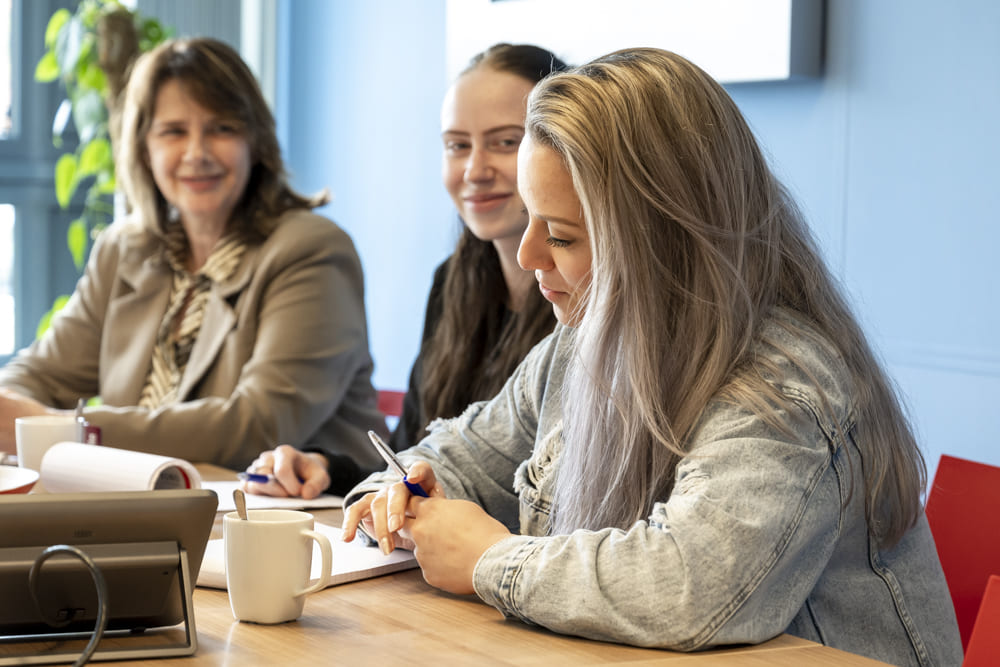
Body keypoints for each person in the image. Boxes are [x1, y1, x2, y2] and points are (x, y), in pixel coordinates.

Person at [340, 48, 963, 664]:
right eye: (530, 219)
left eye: (561, 235)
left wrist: (487, 559)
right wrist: (397, 492)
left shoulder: (783, 385)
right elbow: (457, 456)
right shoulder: (577, 345)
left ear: (661, 241)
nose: (528, 255)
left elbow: (691, 586)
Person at [0, 38, 386, 491]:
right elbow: (36, 376)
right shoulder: (125, 250)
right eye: (173, 131)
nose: (196, 153)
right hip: (153, 505)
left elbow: (259, 424)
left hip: (303, 518)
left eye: (221, 128)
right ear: (144, 148)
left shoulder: (311, 250)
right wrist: (18, 414)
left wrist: (72, 431)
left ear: (255, 142)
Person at [243, 43, 565, 500]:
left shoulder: (583, 298)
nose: (474, 170)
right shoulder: (452, 283)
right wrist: (326, 469)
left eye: (506, 143)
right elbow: (411, 461)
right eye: (457, 146)